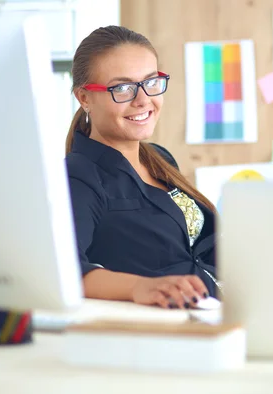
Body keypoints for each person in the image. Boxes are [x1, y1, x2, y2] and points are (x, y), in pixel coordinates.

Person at [64, 25, 219, 310]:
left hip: (223, 312)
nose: (143, 100)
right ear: (85, 98)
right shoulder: (79, 176)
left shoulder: (159, 159)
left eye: (151, 82)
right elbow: (64, 270)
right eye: (122, 88)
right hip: (167, 330)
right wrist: (139, 287)